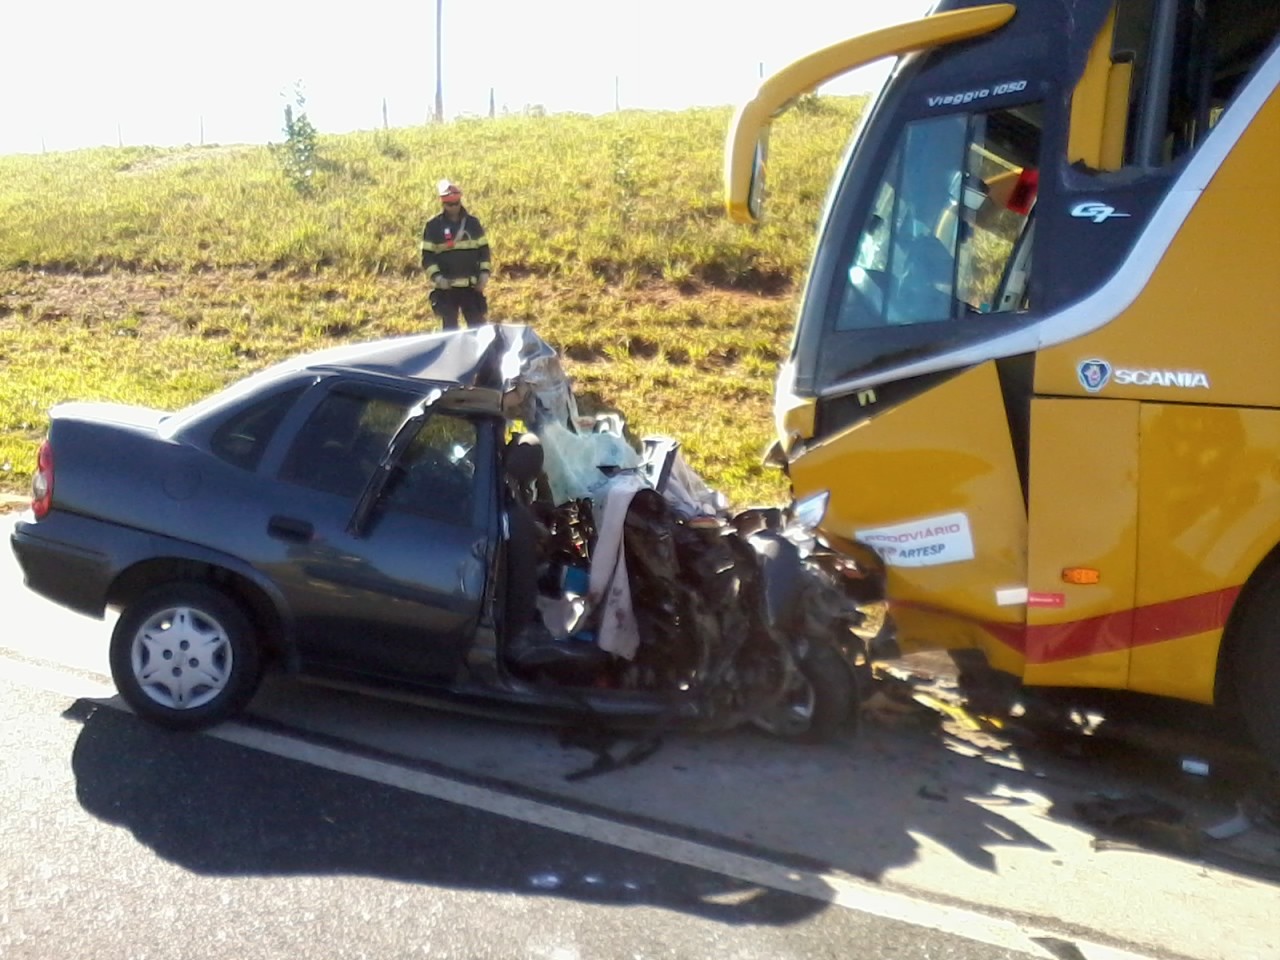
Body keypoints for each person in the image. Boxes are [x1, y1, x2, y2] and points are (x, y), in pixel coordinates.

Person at [421, 179, 492, 329]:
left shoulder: (473, 224)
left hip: (471, 288)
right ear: (443, 204)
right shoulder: (433, 226)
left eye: (456, 203)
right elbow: (427, 257)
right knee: (450, 331)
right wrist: (438, 278)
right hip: (447, 289)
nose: (453, 208)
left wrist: (484, 275)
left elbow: (484, 251)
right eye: (449, 204)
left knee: (478, 329)